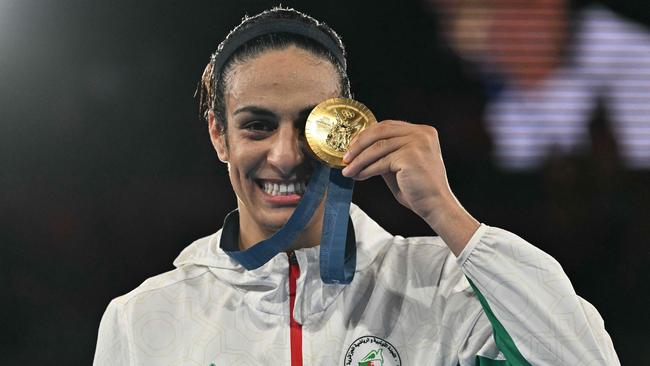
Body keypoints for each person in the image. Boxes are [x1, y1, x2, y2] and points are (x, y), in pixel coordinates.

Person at [93, 7, 620, 365]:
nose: (285, 155)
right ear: (219, 135)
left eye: (308, 125)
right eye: (257, 125)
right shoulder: (143, 320)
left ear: (344, 125)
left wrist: (448, 214)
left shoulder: (444, 287)